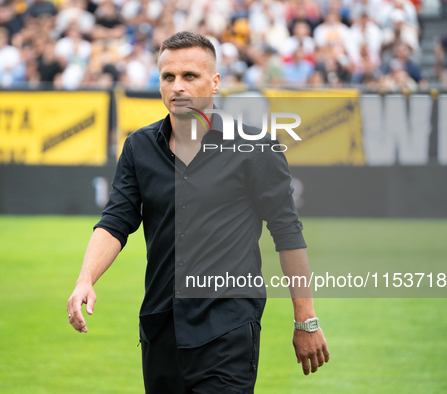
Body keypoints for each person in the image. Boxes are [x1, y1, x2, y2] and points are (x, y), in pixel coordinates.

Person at [67, 31, 329, 393]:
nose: (178, 86)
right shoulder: (138, 148)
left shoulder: (256, 148)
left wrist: (306, 319)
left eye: (190, 76)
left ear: (215, 82)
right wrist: (85, 280)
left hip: (229, 328)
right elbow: (115, 222)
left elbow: (287, 234)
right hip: (159, 328)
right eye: (168, 77)